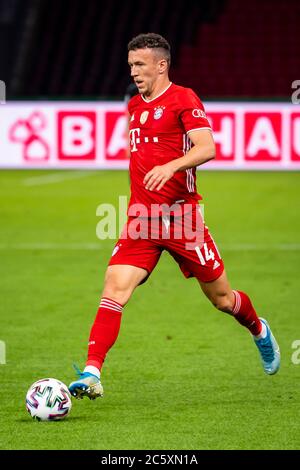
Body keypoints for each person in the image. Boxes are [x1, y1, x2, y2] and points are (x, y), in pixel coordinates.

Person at [69, 33, 280, 400]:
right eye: (131, 64)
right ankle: (91, 373)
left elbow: (207, 148)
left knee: (222, 299)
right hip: (141, 219)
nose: (133, 71)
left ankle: (258, 329)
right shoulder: (134, 105)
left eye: (140, 64)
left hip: (183, 219)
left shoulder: (184, 98)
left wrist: (171, 166)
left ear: (161, 64)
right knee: (114, 289)